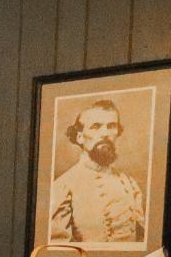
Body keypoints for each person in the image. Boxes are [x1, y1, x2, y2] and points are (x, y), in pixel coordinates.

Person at [48, 99, 145, 243]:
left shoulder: (128, 183)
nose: (105, 133)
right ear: (79, 137)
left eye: (111, 126)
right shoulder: (63, 186)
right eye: (96, 126)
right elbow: (60, 253)